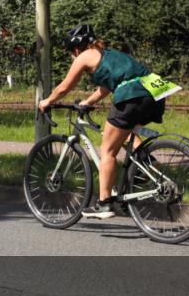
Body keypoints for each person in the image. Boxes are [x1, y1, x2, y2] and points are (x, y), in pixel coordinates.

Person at [39, 24, 180, 219]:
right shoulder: (109, 54)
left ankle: (104, 203)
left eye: (71, 53)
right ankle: (145, 165)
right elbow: (105, 88)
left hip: (132, 95)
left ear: (76, 49)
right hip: (154, 94)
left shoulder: (84, 56)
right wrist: (88, 102)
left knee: (107, 151)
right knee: (118, 132)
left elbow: (65, 87)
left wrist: (47, 101)